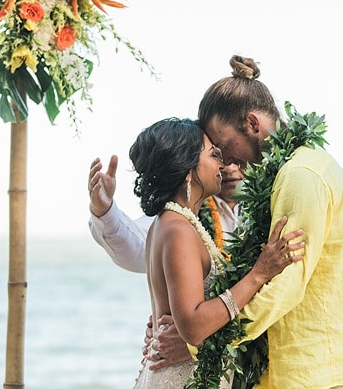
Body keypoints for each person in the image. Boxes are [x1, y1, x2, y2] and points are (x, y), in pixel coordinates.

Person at [196, 55, 343, 388]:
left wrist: (206, 338)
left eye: (223, 145)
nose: (225, 161)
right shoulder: (294, 170)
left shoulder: (300, 175)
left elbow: (286, 282)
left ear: (252, 123)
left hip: (327, 373)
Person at [102, 117, 304, 388]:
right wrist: (259, 273)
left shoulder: (176, 223)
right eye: (213, 155)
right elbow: (194, 326)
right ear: (188, 171)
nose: (223, 164)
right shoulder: (177, 229)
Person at [88, 158, 244, 369]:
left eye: (237, 160)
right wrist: (104, 211)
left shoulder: (269, 205)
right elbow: (134, 248)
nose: (229, 168)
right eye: (218, 157)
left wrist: (199, 340)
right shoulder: (177, 220)